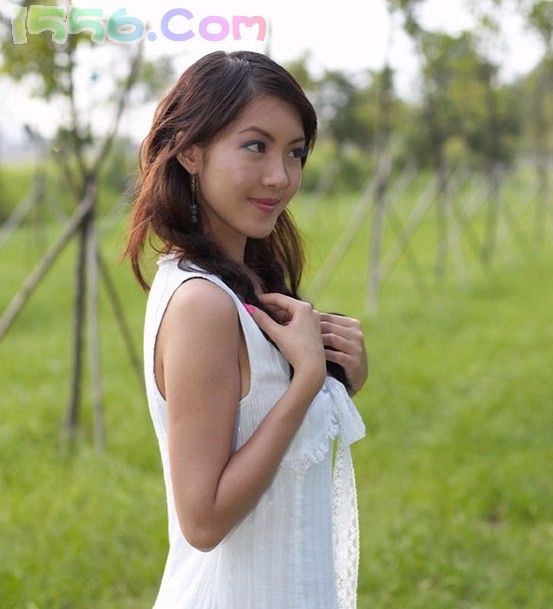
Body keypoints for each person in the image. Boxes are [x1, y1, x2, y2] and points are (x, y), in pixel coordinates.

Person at [125, 50, 369, 609]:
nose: (280, 177)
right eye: (255, 146)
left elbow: (266, 436)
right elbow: (204, 520)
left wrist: (337, 376)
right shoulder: (202, 304)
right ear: (191, 151)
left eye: (295, 152)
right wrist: (306, 381)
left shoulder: (238, 284)